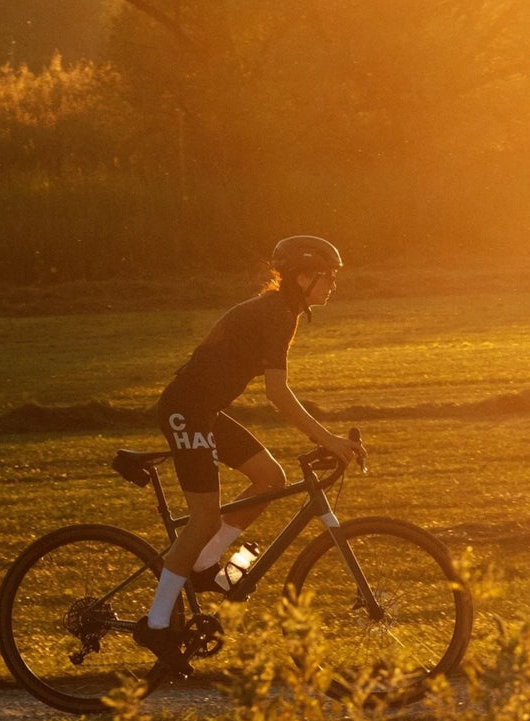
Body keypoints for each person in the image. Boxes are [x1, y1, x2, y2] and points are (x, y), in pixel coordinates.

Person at [133, 235, 366, 671]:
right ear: (303, 276)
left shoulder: (282, 312)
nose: (333, 284)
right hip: (186, 409)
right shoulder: (276, 314)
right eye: (327, 276)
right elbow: (276, 392)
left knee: (270, 479)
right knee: (203, 519)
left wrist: (325, 437)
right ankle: (157, 624)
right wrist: (328, 439)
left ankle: (203, 565)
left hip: (205, 411)